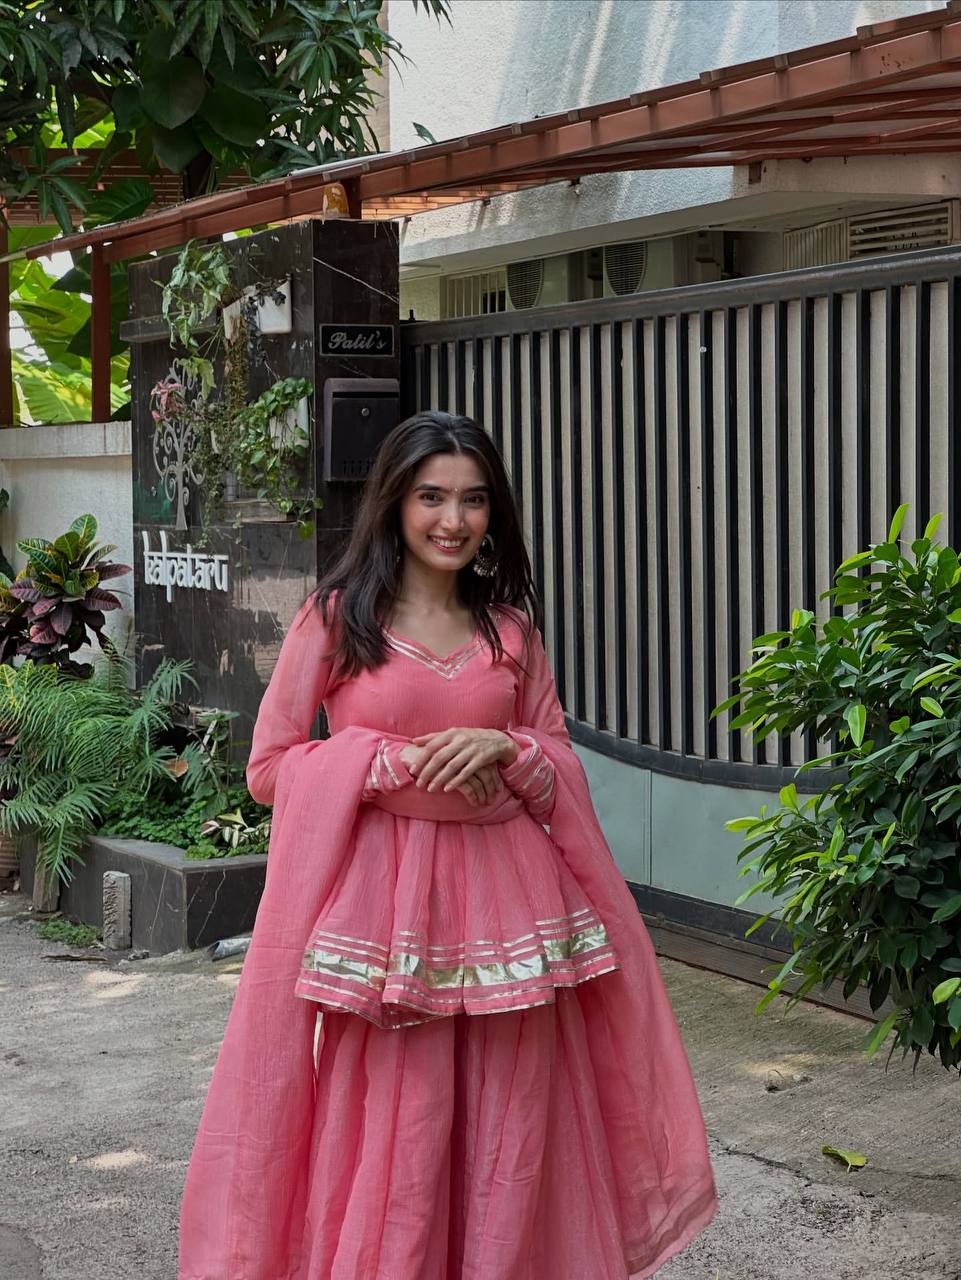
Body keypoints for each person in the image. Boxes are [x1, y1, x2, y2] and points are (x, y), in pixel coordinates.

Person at [179, 411, 716, 1280]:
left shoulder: (511, 635)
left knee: (512, 1119)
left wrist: (510, 747)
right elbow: (271, 768)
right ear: (394, 503)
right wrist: (384, 764)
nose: (451, 521)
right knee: (397, 1117)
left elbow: (560, 765)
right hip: (386, 919)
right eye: (430, 497)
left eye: (471, 501)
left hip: (512, 910)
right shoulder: (335, 621)